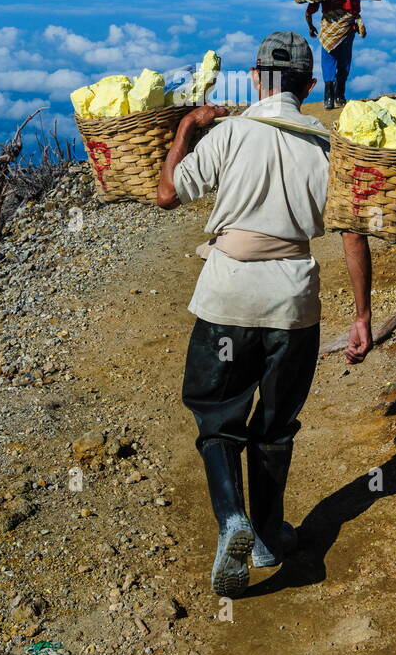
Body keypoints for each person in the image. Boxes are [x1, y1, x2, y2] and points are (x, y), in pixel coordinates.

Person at [157, 31, 373, 598]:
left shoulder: (230, 133)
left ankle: (233, 519)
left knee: (218, 416)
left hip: (228, 294)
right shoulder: (330, 148)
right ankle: (270, 536)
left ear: (256, 80)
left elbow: (166, 195)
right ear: (306, 87)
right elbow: (352, 231)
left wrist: (184, 130)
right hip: (292, 303)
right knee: (276, 425)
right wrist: (362, 315)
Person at [305, 0, 376, 109]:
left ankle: (328, 99)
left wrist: (311, 27)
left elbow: (309, 12)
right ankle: (340, 97)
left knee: (328, 61)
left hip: (328, 30)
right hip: (346, 29)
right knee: (344, 61)